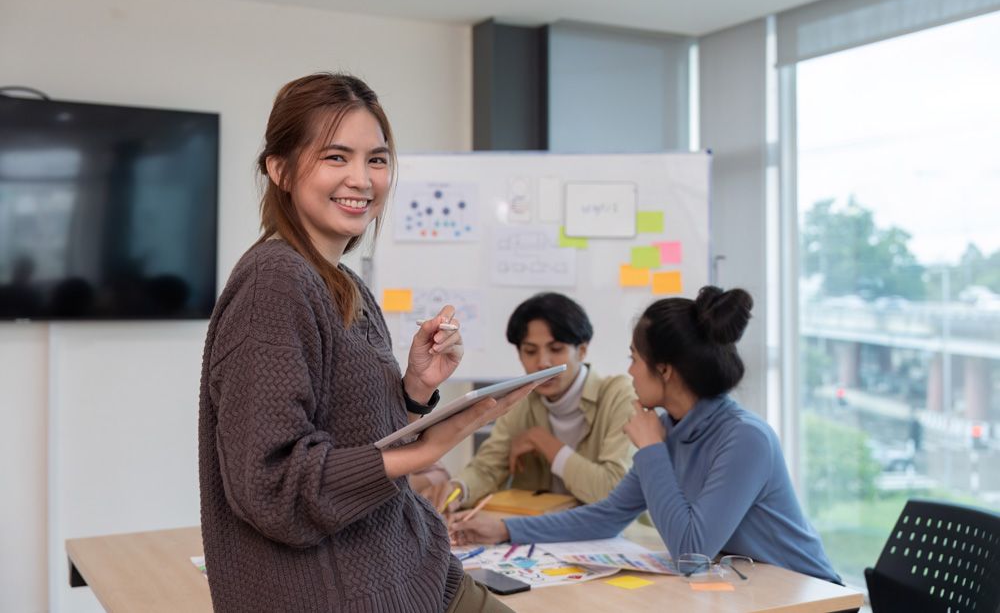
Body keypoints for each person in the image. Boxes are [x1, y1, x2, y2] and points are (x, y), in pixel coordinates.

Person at [199, 73, 537, 613]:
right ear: (279, 169)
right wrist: (425, 450)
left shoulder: (344, 284)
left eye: (376, 160)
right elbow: (273, 486)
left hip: (413, 575)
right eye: (336, 157)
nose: (362, 178)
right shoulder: (275, 282)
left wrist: (413, 391)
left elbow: (350, 439)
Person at [452, 286, 841, 584]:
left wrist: (651, 447)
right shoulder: (669, 427)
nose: (630, 371)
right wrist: (505, 530)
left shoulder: (744, 438)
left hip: (810, 596)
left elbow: (691, 551)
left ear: (665, 370)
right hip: (748, 590)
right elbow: (606, 516)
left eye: (634, 359)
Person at [420, 292, 635, 512]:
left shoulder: (619, 395)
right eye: (530, 351)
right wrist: (458, 489)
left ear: (581, 351)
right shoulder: (520, 399)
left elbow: (613, 490)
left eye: (556, 349)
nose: (542, 362)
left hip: (605, 538)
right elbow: (487, 469)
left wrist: (543, 441)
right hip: (534, 533)